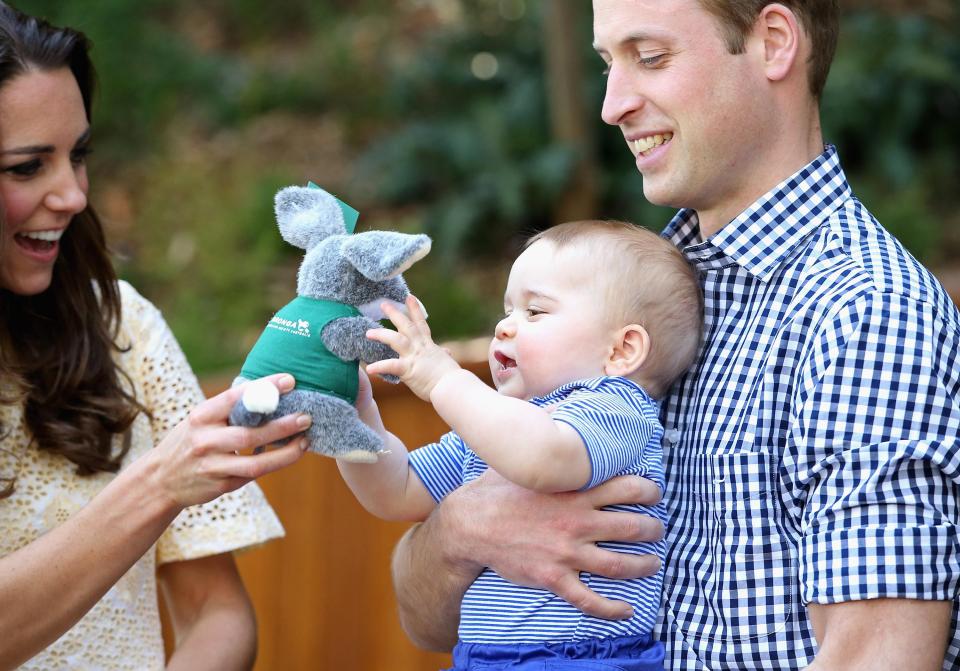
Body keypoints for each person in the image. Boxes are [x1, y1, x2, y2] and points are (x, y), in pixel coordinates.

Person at [389, 1, 960, 669]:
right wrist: (464, 530)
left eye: (650, 57)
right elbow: (422, 618)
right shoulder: (618, 293)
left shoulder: (864, 313)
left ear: (774, 43)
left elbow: (877, 658)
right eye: (607, 63)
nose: (612, 105)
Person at [0, 3, 311, 669]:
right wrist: (157, 486)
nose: (73, 194)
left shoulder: (121, 322)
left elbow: (215, 613)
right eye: (28, 166)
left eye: (76, 155)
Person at [340, 220, 701, 670]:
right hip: (480, 658)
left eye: (535, 312)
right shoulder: (499, 426)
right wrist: (352, 420)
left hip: (580, 659)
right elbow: (397, 490)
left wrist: (443, 379)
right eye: (507, 310)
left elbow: (542, 458)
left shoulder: (616, 409)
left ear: (621, 351)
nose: (504, 328)